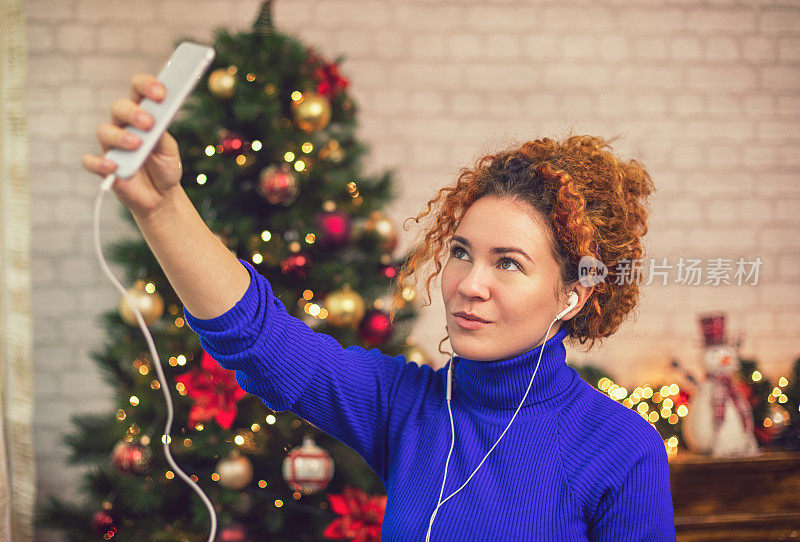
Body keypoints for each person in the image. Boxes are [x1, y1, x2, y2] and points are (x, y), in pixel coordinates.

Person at [83, 73, 676, 541]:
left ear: (573, 294)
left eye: (509, 263)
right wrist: (160, 208)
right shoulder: (406, 406)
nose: (469, 284)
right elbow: (259, 339)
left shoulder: (622, 450)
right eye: (462, 253)